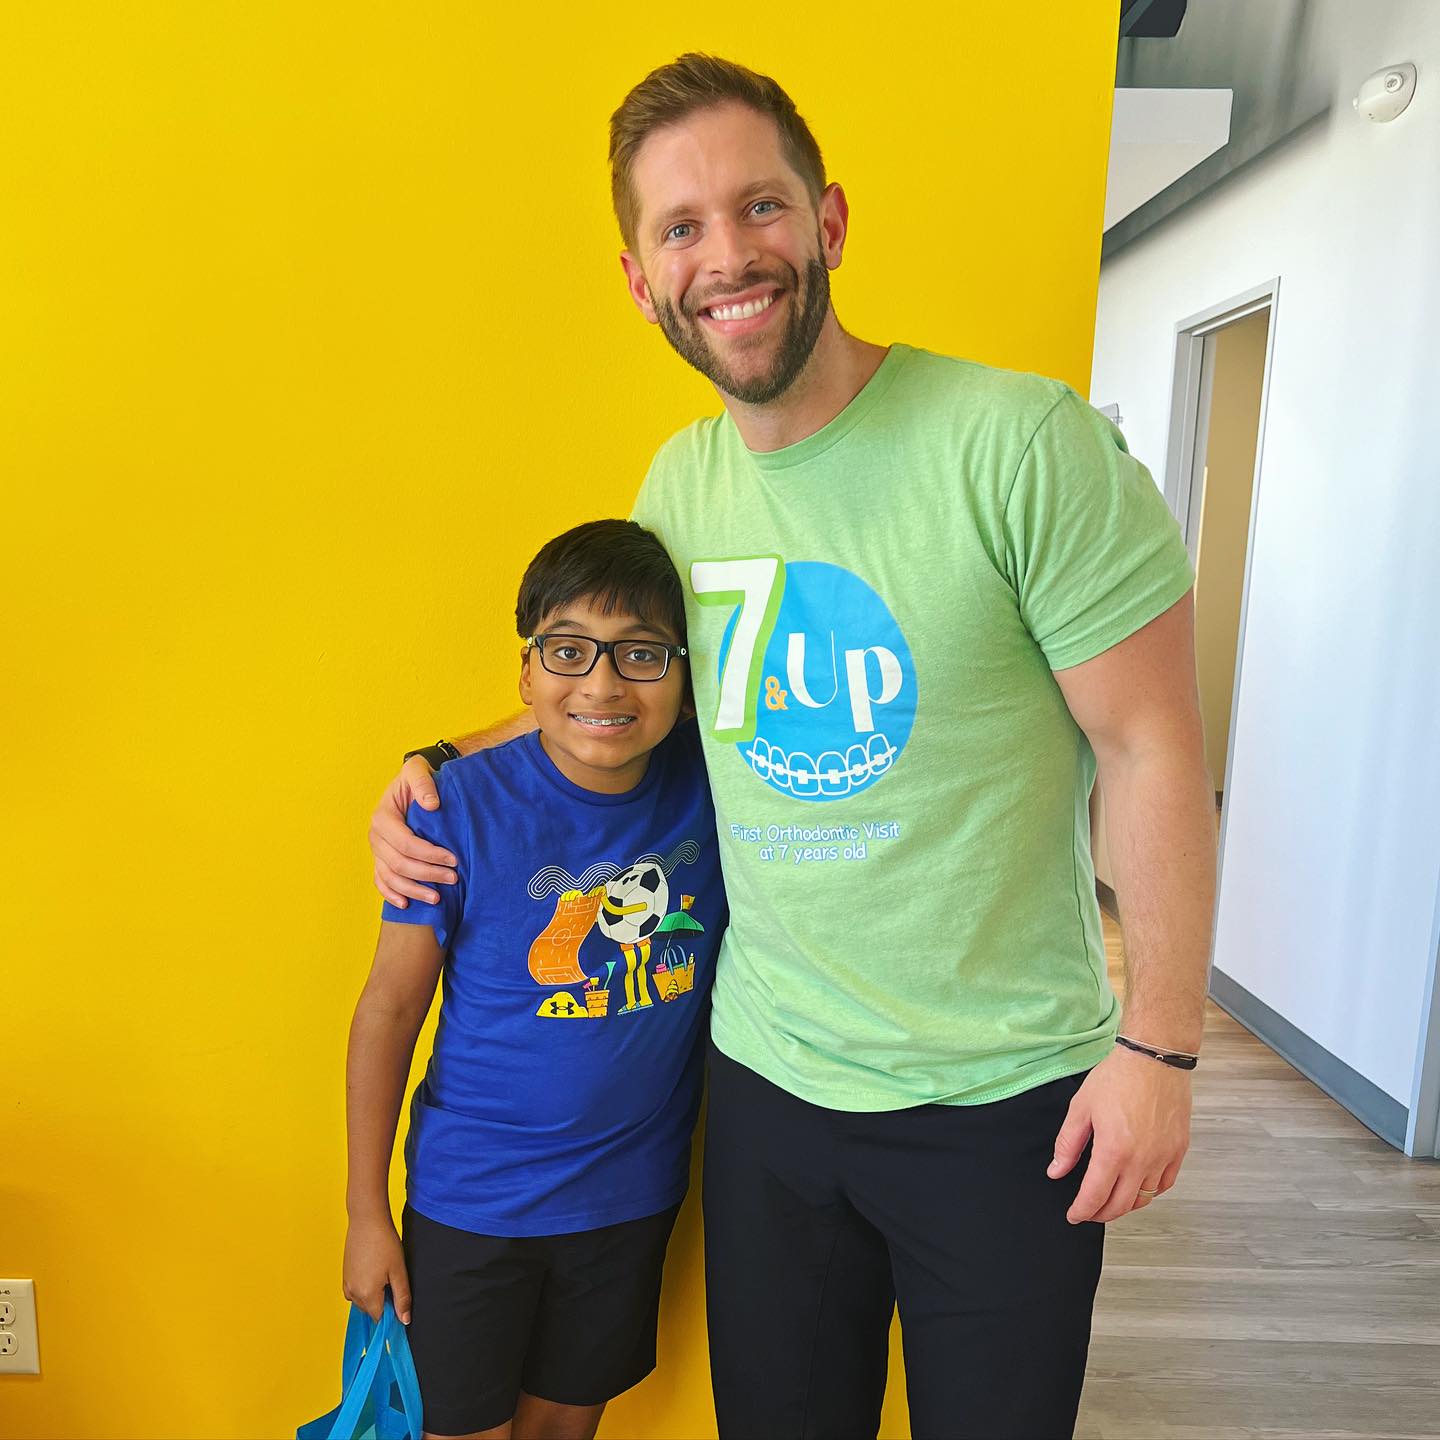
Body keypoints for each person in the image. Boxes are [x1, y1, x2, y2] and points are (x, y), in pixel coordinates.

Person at [370, 55, 1216, 1440]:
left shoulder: (1017, 444)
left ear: (826, 221)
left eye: (757, 208)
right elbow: (634, 704)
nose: (728, 257)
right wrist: (435, 765)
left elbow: (1153, 745)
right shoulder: (680, 485)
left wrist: (1163, 1052)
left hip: (1002, 1104)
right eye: (682, 229)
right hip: (765, 1087)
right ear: (642, 281)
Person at [345, 519, 723, 1440]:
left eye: (640, 653)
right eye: (568, 651)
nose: (600, 683)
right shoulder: (456, 809)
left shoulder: (720, 787)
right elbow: (389, 1010)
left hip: (629, 1198)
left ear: (686, 672)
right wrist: (364, 1212)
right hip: (474, 1201)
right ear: (527, 672)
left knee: (563, 1428)